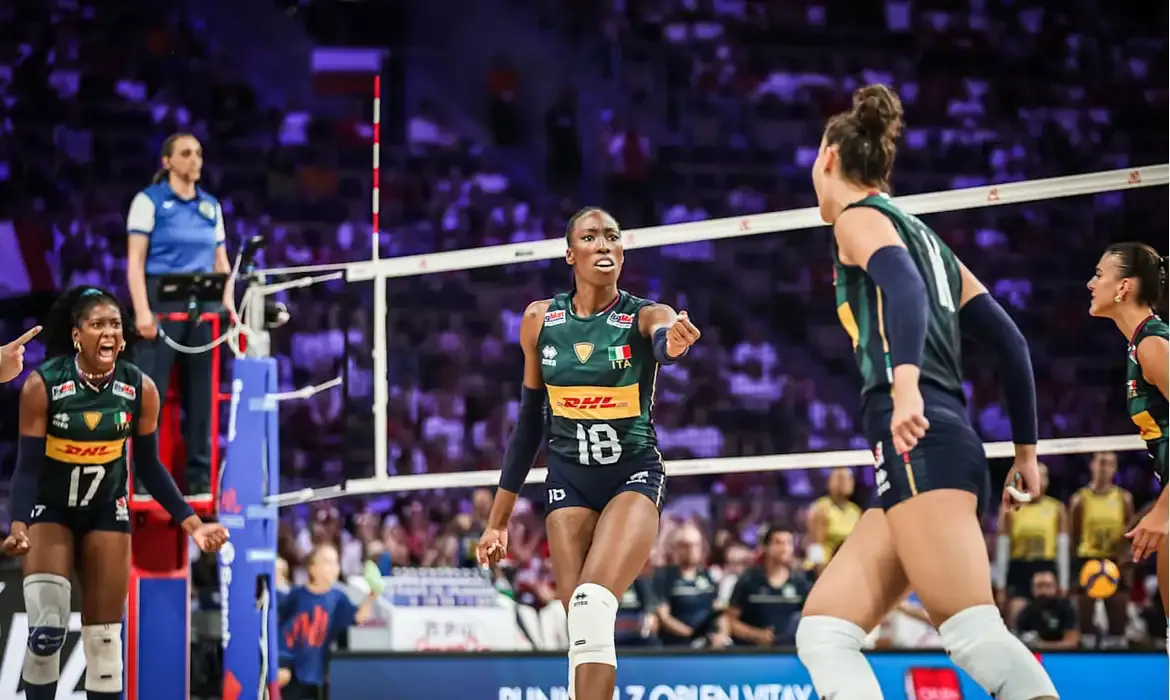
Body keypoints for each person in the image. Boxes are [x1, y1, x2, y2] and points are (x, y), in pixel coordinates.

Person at [796, 84, 1059, 700]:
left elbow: (904, 291)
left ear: (829, 156)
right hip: (935, 444)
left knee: (972, 633)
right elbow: (1012, 344)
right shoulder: (933, 241)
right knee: (825, 630)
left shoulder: (858, 220)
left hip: (918, 433)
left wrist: (905, 385)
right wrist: (1025, 454)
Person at [476, 207, 701, 700]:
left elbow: (663, 341)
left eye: (613, 237)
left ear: (622, 252)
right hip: (568, 480)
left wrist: (673, 343)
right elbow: (529, 422)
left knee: (595, 602)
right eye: (591, 237)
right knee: (581, 622)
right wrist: (498, 520)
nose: (603, 245)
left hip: (632, 475)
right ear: (569, 253)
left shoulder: (645, 315)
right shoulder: (540, 320)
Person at [2, 286, 229, 700]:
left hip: (107, 510)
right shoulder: (43, 385)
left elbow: (151, 467)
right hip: (50, 510)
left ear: (124, 337)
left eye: (115, 325)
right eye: (97, 324)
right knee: (47, 632)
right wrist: (18, 524)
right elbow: (28, 466)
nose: (108, 332)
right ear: (77, 335)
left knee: (106, 647)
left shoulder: (140, 390)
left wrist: (193, 525)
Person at [126, 132, 233, 500]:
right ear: (167, 161)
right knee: (150, 397)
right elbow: (135, 262)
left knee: (200, 398)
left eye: (199, 154)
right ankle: (144, 479)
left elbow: (222, 264)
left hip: (202, 308)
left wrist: (230, 305)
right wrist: (142, 310)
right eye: (186, 154)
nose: (195, 160)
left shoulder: (210, 207)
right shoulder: (149, 201)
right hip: (160, 305)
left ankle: (200, 478)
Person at [1086, 242, 1168, 620]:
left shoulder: (1153, 344)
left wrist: (1162, 511)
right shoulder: (1140, 344)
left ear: (1125, 287)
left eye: (1100, 274)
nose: (1091, 283)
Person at [278, 544, 379, 700]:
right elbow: (280, 628)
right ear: (312, 568)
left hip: (316, 671)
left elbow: (358, 617)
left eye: (336, 563)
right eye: (327, 563)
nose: (333, 568)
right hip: (289, 669)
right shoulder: (296, 596)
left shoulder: (338, 598)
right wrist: (280, 663)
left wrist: (373, 594)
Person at [1069, 451, 1133, 646]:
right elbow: (1074, 535)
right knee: (1086, 617)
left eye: (1109, 464)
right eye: (1101, 463)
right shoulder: (1080, 499)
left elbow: (1130, 530)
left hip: (1115, 559)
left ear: (1114, 469)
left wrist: (1127, 562)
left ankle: (1118, 649)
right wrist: (1073, 572)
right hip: (1088, 558)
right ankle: (1087, 648)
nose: (1104, 468)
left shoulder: (1123, 498)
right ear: (1092, 465)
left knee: (1118, 612)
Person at [994, 463, 1069, 626]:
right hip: (1020, 567)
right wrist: (1000, 585)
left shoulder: (1056, 508)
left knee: (1048, 616)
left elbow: (1062, 547)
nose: (1042, 480)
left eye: (1045, 476)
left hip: (1046, 567)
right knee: (1016, 613)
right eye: (1037, 475)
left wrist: (1063, 583)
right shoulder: (1010, 507)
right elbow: (1002, 547)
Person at [725, 527, 810, 647]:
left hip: (790, 655)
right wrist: (755, 634)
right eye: (778, 543)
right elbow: (729, 621)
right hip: (753, 654)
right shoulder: (748, 580)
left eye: (789, 543)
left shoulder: (801, 582)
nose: (785, 548)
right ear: (766, 547)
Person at [653, 522, 719, 646]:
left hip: (709, 643)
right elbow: (664, 617)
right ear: (674, 548)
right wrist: (693, 635)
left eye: (696, 545)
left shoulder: (707, 575)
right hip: (678, 646)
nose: (691, 550)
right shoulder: (664, 576)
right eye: (686, 545)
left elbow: (717, 609)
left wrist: (720, 635)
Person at [806, 467, 862, 572]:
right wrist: (819, 570)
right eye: (839, 478)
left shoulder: (855, 511)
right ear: (829, 483)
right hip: (823, 566)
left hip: (846, 565)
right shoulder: (821, 507)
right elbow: (816, 544)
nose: (843, 482)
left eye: (848, 478)